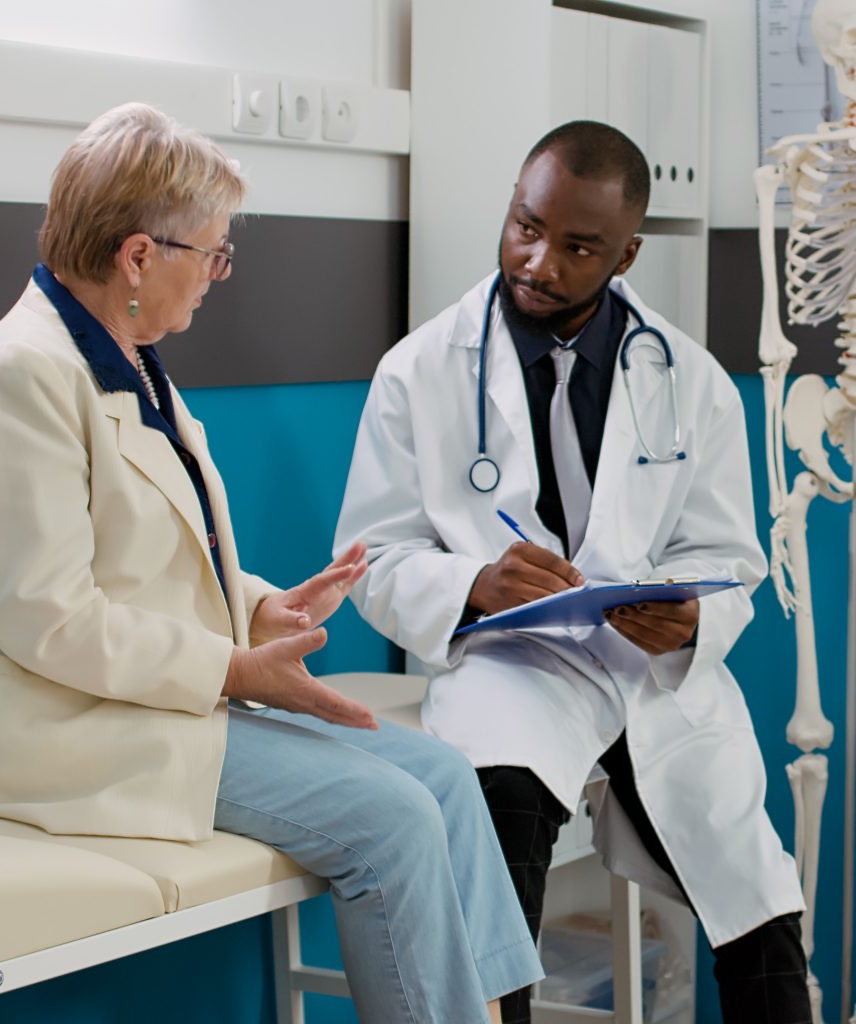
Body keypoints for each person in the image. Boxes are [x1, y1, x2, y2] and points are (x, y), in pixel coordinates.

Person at [0, 102, 542, 1023]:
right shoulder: (19, 376)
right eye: (211, 253)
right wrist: (237, 669)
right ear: (137, 256)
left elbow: (145, 557)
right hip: (49, 724)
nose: (217, 274)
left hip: (143, 700)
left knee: (442, 775)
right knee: (393, 821)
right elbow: (48, 618)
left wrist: (259, 611)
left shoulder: (126, 357)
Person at [334, 120, 810, 1024]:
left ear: (626, 253)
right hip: (516, 665)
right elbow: (374, 560)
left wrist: (694, 622)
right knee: (497, 818)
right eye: (525, 225)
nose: (539, 261)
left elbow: (728, 561)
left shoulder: (691, 380)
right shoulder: (419, 371)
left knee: (753, 896)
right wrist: (473, 583)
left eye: (578, 246)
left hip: (650, 671)